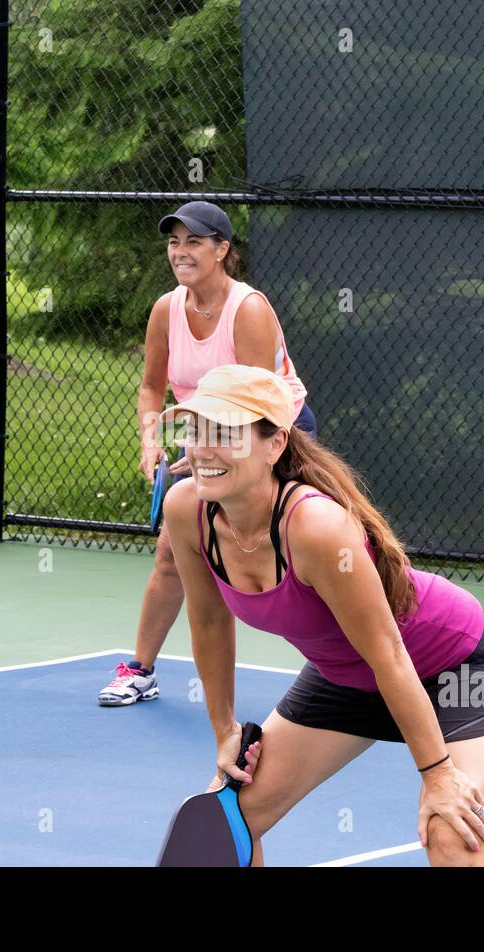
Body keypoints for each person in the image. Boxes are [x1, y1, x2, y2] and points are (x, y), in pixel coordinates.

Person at [158, 364, 484, 866]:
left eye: (225, 433)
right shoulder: (186, 511)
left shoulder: (315, 527)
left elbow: (389, 652)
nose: (204, 449)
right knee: (229, 820)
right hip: (347, 676)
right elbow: (210, 623)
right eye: (197, 431)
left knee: (451, 830)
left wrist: (437, 777)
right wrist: (225, 730)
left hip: (454, 666)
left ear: (275, 443)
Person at [98, 201, 318, 705]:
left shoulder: (250, 309)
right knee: (172, 553)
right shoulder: (165, 309)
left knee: (307, 548)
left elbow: (255, 403)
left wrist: (200, 449)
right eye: (174, 242)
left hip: (276, 433)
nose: (181, 252)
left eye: (194, 242)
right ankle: (140, 670)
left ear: (222, 250)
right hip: (205, 434)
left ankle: (347, 661)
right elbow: (152, 388)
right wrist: (151, 440)